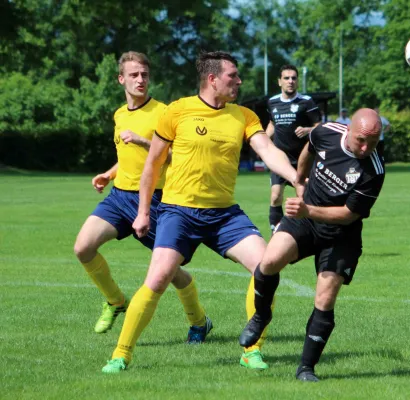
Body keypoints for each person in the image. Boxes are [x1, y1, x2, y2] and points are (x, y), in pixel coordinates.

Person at [102, 51, 299, 374]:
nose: (238, 81)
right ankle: (121, 354)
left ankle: (252, 350)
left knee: (267, 267)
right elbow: (152, 164)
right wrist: (142, 212)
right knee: (158, 277)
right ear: (212, 79)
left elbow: (267, 149)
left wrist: (293, 177)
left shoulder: (244, 116)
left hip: (224, 215)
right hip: (178, 212)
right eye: (232, 76)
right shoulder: (177, 111)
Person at [239, 109, 385, 382]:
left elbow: (348, 214)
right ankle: (260, 316)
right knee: (269, 262)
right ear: (349, 128)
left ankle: (306, 368)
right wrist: (300, 180)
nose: (366, 148)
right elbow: (308, 149)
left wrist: (308, 209)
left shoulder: (373, 171)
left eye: (373, 142)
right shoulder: (326, 132)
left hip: (341, 235)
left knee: (325, 299)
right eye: (361, 140)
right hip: (305, 220)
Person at [73, 51, 207, 341]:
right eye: (134, 75)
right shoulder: (120, 114)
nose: (140, 79)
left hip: (155, 200)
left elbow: (174, 156)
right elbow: (127, 156)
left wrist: (145, 140)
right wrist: (109, 175)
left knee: (170, 271)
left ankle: (199, 322)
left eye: (144, 74)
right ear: (121, 79)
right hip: (119, 197)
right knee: (83, 248)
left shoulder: (164, 112)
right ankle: (115, 301)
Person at [266, 64, 321, 232]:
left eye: (294, 78)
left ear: (297, 81)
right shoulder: (272, 102)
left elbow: (320, 127)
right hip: (280, 159)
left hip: (302, 159)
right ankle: (276, 231)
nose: (290, 81)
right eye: (286, 78)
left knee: (303, 197)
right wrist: (261, 140)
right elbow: (272, 125)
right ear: (279, 81)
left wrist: (308, 130)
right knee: (275, 197)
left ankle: (309, 231)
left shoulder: (306, 102)